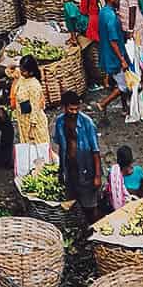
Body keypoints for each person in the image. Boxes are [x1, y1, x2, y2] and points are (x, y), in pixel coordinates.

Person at [54, 88, 102, 225]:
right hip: (70, 168)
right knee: (72, 202)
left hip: (87, 169)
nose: (74, 112)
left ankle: (95, 230)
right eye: (71, 109)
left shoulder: (87, 123)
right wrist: (61, 170)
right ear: (64, 108)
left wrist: (97, 176)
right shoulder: (59, 122)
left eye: (76, 109)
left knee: (90, 206)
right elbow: (61, 147)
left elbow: (95, 151)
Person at [97, 0, 131, 119]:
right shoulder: (111, 16)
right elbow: (113, 40)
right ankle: (103, 103)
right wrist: (122, 59)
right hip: (114, 55)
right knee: (123, 85)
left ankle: (125, 107)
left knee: (120, 81)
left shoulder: (104, 12)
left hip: (107, 52)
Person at [10, 54, 50, 147]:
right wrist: (14, 65)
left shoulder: (34, 85)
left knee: (39, 149)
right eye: (20, 69)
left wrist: (32, 128)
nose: (21, 71)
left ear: (31, 72)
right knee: (28, 149)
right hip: (23, 120)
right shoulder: (22, 77)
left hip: (33, 123)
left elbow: (35, 108)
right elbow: (9, 72)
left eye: (23, 70)